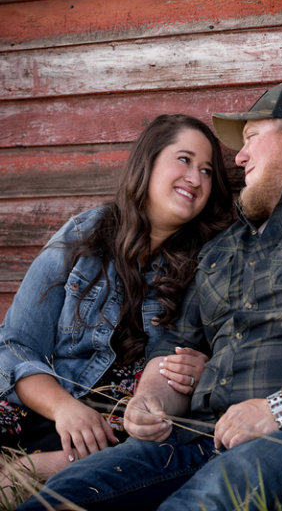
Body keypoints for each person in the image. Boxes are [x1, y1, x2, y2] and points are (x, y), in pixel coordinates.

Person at [18, 80, 282, 510]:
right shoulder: (224, 248)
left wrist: (276, 410)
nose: (239, 157)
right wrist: (151, 400)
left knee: (200, 503)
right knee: (66, 495)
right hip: (203, 436)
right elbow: (174, 347)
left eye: (250, 139)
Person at [0, 114, 233, 483]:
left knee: (140, 451)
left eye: (207, 171)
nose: (195, 178)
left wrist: (206, 370)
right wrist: (65, 409)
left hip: (127, 428)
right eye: (185, 160)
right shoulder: (84, 235)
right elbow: (14, 346)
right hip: (51, 405)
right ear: (149, 160)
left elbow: (228, 349)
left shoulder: (212, 258)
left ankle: (33, 473)